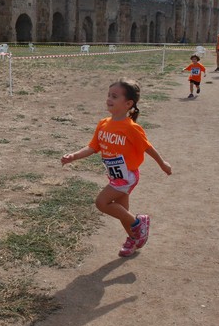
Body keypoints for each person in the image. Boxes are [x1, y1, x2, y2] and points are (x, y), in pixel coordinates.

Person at [61, 78, 172, 257]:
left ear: (128, 104)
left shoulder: (131, 128)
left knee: (101, 203)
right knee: (122, 212)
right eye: (108, 95)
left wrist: (163, 164)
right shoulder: (103, 124)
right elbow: (93, 147)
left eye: (114, 96)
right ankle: (134, 239)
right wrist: (74, 156)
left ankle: (139, 223)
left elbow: (148, 147)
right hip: (114, 173)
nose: (108, 99)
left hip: (126, 176)